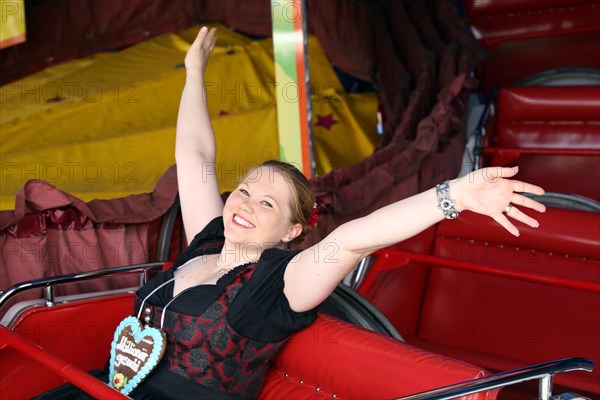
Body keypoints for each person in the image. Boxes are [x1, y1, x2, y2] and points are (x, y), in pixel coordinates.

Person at [38, 26, 546, 399]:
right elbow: (194, 156)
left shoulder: (277, 284)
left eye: (267, 203)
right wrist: (194, 71)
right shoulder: (209, 240)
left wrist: (454, 196)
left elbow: (354, 238)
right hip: (103, 387)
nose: (243, 204)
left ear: (293, 229)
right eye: (243, 191)